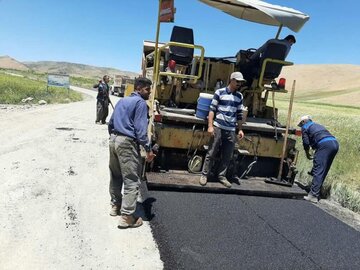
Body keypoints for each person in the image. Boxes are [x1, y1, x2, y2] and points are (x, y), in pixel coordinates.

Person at [107, 77, 155, 229]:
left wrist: (115, 138)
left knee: (115, 175)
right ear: (139, 88)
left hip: (114, 140)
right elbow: (141, 131)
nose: (149, 93)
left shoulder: (122, 101)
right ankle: (127, 217)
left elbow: (111, 122)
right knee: (131, 179)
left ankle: (116, 205)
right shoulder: (140, 103)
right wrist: (148, 149)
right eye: (148, 90)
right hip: (127, 143)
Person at [199, 72, 245, 188]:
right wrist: (210, 126)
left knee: (227, 155)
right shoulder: (219, 93)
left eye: (241, 82)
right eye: (237, 81)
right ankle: (205, 175)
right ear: (231, 80)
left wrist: (240, 129)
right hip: (218, 127)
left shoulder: (239, 96)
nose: (239, 84)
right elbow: (212, 110)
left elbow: (239, 115)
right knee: (212, 152)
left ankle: (221, 176)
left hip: (231, 129)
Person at [298, 115, 339, 203]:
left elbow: (306, 142)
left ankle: (313, 195)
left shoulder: (305, 127)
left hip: (324, 145)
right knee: (323, 169)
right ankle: (315, 189)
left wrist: (307, 153)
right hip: (334, 144)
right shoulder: (317, 125)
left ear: (303, 122)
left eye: (300, 124)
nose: (301, 127)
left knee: (318, 169)